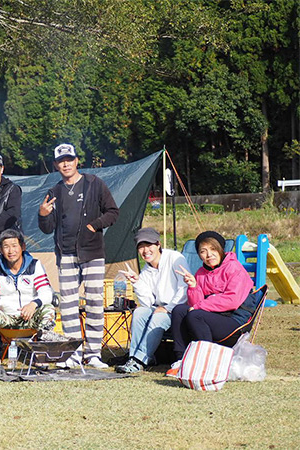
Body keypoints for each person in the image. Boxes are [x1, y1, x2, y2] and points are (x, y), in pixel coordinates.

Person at [38, 143, 119, 368]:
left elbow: (113, 212)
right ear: (56, 165)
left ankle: (93, 354)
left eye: (69, 159)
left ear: (76, 161)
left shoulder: (94, 184)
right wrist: (43, 215)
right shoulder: (54, 191)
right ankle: (72, 352)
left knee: (94, 302)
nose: (65, 163)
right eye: (61, 161)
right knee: (68, 305)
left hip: (92, 252)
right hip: (66, 254)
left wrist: (95, 225)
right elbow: (47, 227)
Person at [167, 231, 254, 376]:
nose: (209, 255)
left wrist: (199, 307)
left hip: (234, 320)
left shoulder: (234, 268)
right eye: (203, 251)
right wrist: (194, 286)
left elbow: (232, 301)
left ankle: (206, 362)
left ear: (221, 249)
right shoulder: (201, 273)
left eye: (213, 249)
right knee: (179, 310)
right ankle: (181, 360)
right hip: (212, 318)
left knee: (196, 315)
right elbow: (196, 304)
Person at [115, 228, 189, 373]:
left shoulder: (174, 258)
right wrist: (137, 282)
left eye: (149, 245)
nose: (145, 251)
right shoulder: (146, 270)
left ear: (158, 245)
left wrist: (168, 308)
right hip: (158, 307)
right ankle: (134, 357)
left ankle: (139, 360)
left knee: (158, 317)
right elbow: (147, 302)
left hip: (178, 309)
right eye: (141, 247)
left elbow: (184, 288)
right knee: (140, 312)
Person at [0, 229, 55, 366]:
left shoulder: (34, 265)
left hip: (30, 317)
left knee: (48, 309)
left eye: (14, 246)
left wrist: (33, 304)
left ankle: (41, 355)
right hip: (7, 318)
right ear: (1, 250)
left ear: (23, 247)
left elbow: (47, 292)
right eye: (6, 246)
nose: (10, 251)